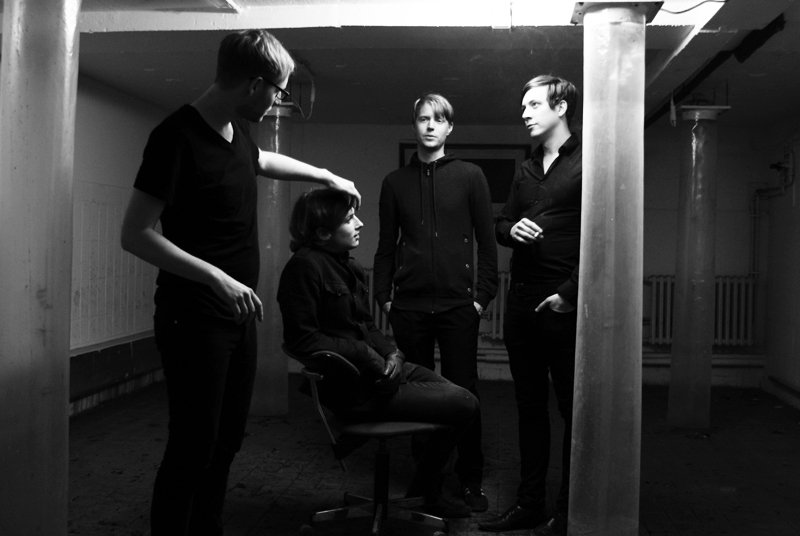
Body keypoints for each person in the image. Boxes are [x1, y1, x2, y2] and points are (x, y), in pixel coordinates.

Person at [119, 29, 360, 536]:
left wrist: (325, 175)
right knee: (193, 444)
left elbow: (262, 161)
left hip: (235, 318)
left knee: (227, 440)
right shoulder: (175, 137)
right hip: (193, 317)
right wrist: (216, 278)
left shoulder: (236, 131)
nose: (277, 102)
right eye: (278, 91)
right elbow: (135, 234)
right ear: (254, 84)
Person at [277, 188, 479, 518]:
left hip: (377, 373)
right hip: (353, 389)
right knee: (464, 404)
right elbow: (304, 341)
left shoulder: (348, 265)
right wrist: (365, 355)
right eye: (349, 219)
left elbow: (368, 326)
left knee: (461, 402)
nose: (360, 223)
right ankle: (428, 494)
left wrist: (393, 354)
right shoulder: (304, 268)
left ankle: (425, 491)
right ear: (323, 232)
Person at [371, 93, 498, 512]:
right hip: (409, 307)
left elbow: (487, 242)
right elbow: (385, 246)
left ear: (449, 127)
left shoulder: (470, 176)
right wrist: (384, 298)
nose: (429, 126)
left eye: (438, 119)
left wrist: (481, 298)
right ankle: (426, 482)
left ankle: (470, 478)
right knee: (416, 395)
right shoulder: (395, 182)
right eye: (423, 119)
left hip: (458, 307)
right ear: (415, 125)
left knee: (464, 392)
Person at [478, 75, 581, 536]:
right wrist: (511, 230)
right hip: (522, 303)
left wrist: (570, 293)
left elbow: (605, 233)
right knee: (529, 408)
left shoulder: (588, 161)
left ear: (561, 107)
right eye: (523, 106)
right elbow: (501, 224)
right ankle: (529, 505)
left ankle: (570, 511)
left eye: (534, 104)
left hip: (563, 305)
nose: (525, 113)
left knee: (572, 410)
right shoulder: (525, 169)